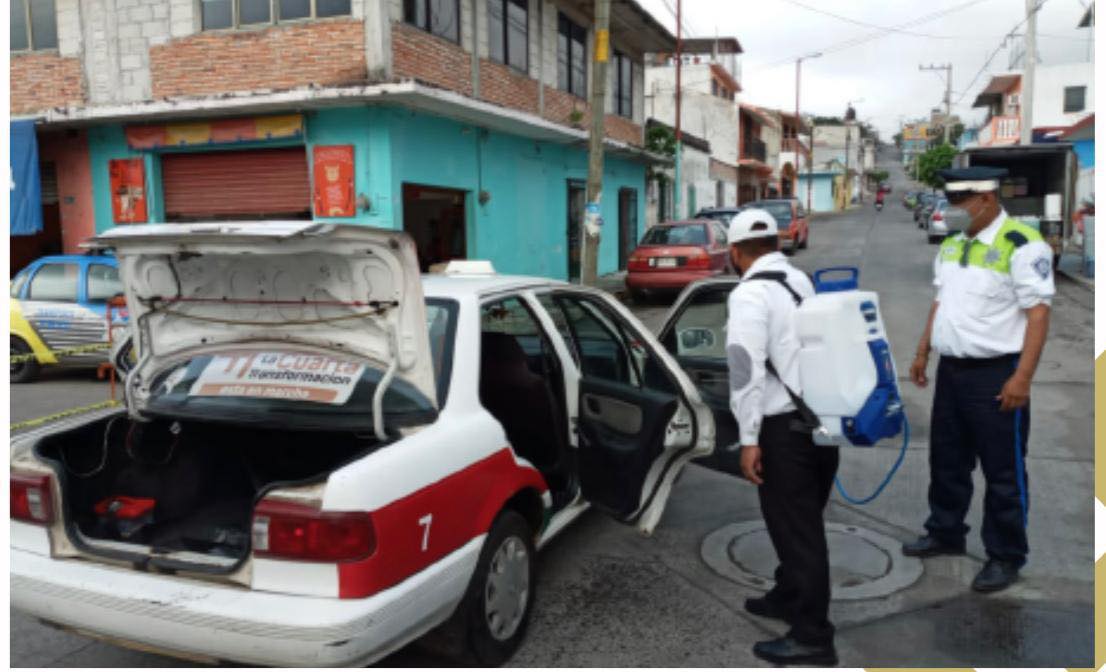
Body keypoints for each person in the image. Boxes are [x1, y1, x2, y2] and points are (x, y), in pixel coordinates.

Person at [904, 166, 1054, 593]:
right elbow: (941, 301)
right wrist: (922, 350)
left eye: (958, 203)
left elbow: (1038, 314)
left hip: (997, 374)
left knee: (1004, 472)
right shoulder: (953, 245)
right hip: (952, 372)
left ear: (986, 200)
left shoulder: (1022, 245)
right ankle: (946, 531)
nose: (950, 212)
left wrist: (1022, 378)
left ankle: (1006, 555)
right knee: (947, 461)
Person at [724, 208, 840, 666]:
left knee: (799, 535)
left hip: (783, 432)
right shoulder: (800, 282)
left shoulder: (749, 295)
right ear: (776, 242)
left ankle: (813, 637)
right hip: (819, 423)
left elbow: (744, 368)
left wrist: (749, 437)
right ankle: (788, 594)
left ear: (735, 253)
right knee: (800, 526)